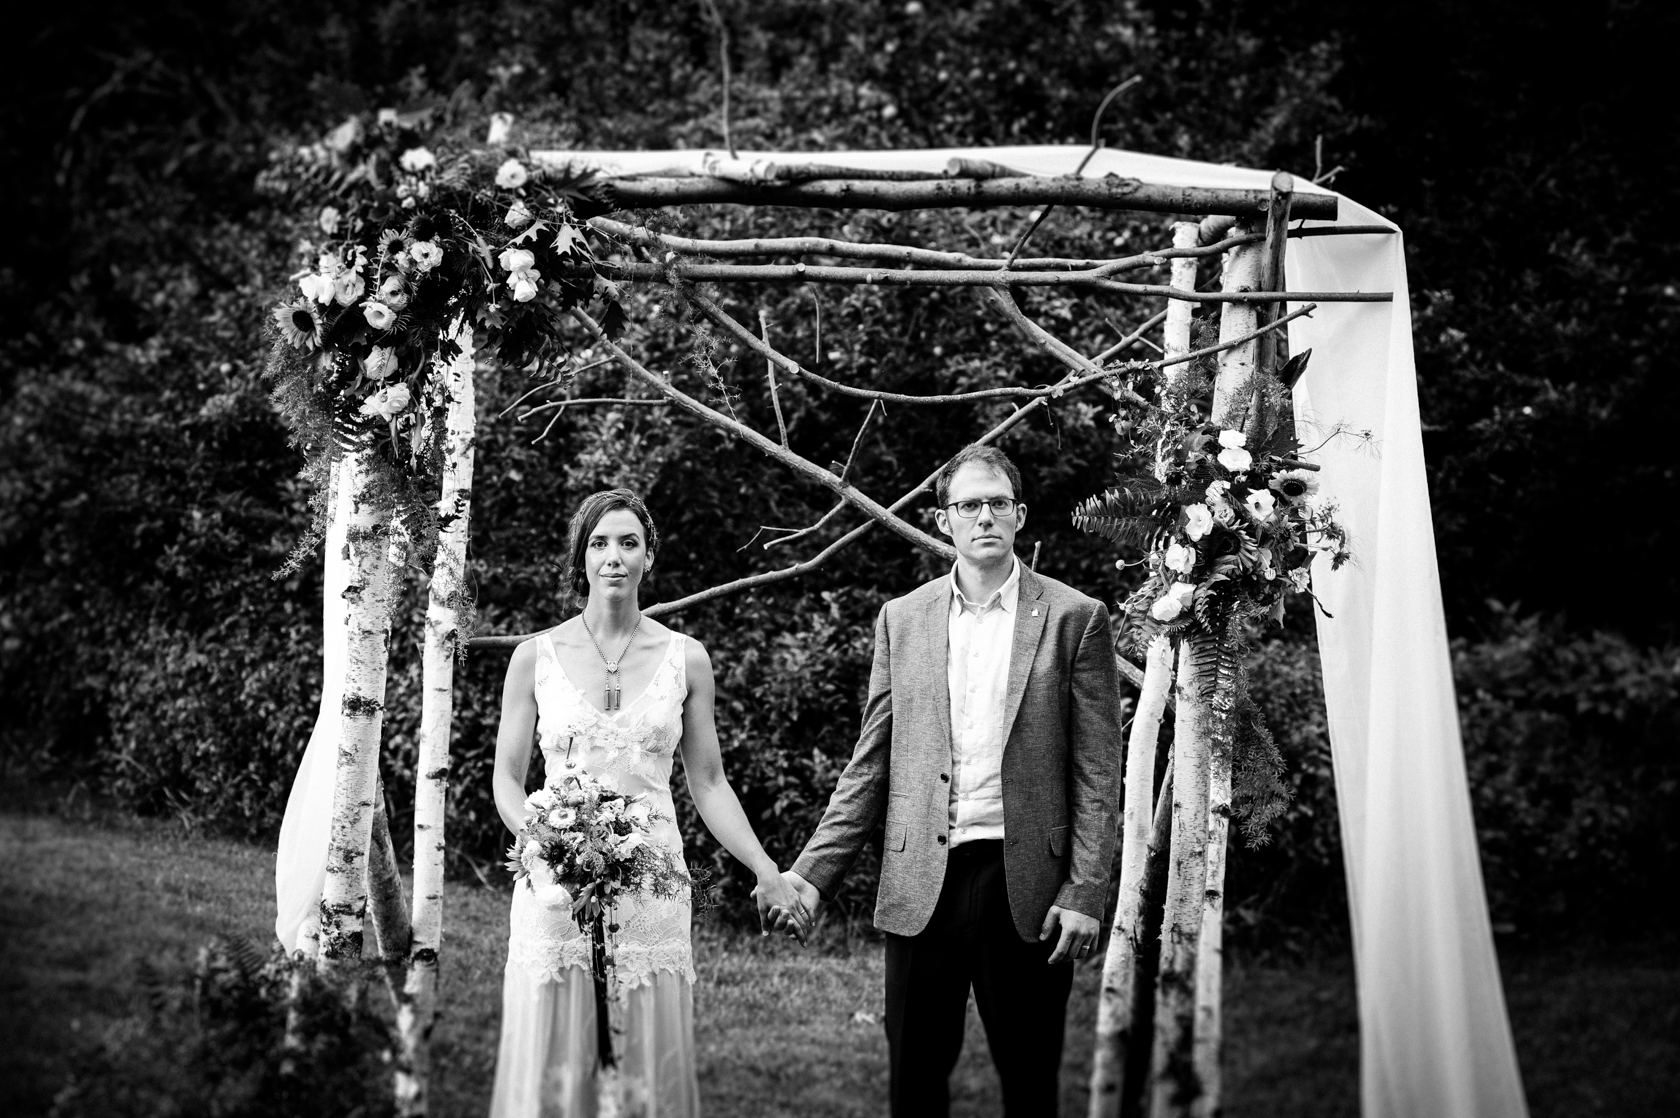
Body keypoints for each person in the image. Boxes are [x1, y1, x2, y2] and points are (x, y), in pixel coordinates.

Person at [781, 445, 1122, 1117]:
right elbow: (871, 761)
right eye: (969, 505)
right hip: (921, 887)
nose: (984, 516)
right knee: (914, 1084)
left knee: (1030, 1086)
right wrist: (811, 875)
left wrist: (1085, 890)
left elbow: (1097, 769)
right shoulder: (901, 619)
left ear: (1020, 515)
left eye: (998, 503)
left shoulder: (1075, 618)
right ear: (945, 521)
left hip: (1024, 885)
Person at [487, 487, 809, 1117]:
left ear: (649, 557)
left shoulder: (688, 660)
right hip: (555, 886)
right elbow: (505, 777)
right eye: (599, 543)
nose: (614, 556)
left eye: (628, 543)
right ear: (581, 558)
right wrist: (549, 839)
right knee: (558, 1057)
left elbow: (709, 783)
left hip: (652, 886)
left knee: (642, 1060)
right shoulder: (534, 657)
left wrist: (766, 870)